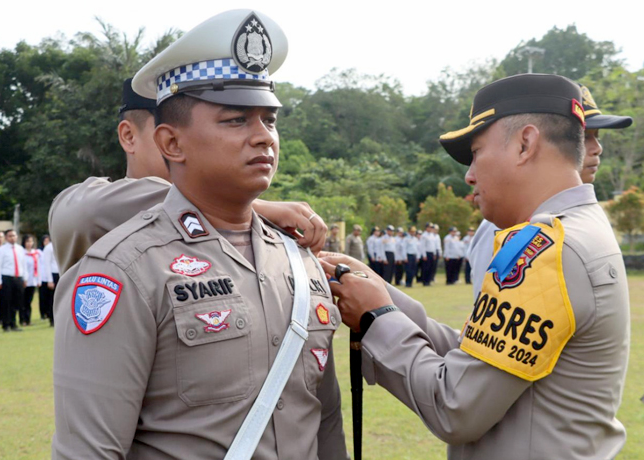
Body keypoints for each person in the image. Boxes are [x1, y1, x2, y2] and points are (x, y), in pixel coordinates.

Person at [52, 10, 348, 460]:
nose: (264, 137)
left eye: (270, 120)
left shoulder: (297, 259)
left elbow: (322, 420)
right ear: (171, 143)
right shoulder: (125, 269)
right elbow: (89, 451)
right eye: (236, 120)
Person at [321, 74, 630, 459]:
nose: (469, 175)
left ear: (525, 143)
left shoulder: (545, 247)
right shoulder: (574, 229)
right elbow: (485, 358)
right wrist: (382, 296)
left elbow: (456, 404)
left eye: (478, 152)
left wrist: (375, 319)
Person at [49, 79, 328, 276]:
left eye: (269, 121)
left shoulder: (250, 223)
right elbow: (85, 210)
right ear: (130, 136)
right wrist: (254, 209)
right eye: (233, 120)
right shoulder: (91, 207)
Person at [467, 82, 634, 298]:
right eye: (584, 137)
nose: (597, 148)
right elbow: (487, 312)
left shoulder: (577, 223)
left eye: (597, 136)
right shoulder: (503, 223)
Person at [0, 230, 26, 332]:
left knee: (17, 301)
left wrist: (25, 278)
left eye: (14, 235)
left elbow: (23, 264)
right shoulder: (2, 250)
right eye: (10, 236)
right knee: (6, 301)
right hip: (7, 277)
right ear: (6, 237)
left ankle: (13, 323)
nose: (12, 238)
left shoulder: (20, 249)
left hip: (18, 277)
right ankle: (6, 324)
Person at [21, 235, 41, 326]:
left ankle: (28, 320)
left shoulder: (36, 253)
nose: (29, 243)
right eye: (27, 241)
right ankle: (22, 320)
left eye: (31, 241)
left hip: (32, 280)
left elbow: (38, 268)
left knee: (29, 302)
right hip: (24, 281)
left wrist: (38, 280)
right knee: (22, 301)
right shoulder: (22, 253)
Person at [42, 236, 58, 327]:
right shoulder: (49, 247)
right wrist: (49, 280)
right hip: (53, 274)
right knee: (53, 299)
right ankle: (52, 319)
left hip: (62, 273)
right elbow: (46, 264)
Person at [38, 235, 51, 320]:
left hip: (49, 277)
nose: (46, 242)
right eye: (45, 241)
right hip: (42, 276)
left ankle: (48, 312)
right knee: (42, 297)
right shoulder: (39, 252)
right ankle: (42, 313)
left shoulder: (51, 250)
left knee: (49, 297)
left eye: (48, 241)